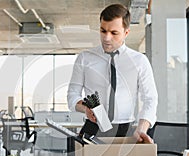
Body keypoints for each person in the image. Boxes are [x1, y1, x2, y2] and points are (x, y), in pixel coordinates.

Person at [67, 3, 158, 143]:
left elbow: (150, 99)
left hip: (126, 129)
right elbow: (73, 95)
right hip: (92, 127)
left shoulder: (139, 61)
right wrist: (85, 108)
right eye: (103, 31)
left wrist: (142, 128)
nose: (107, 38)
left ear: (126, 33)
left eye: (114, 33)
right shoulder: (85, 58)